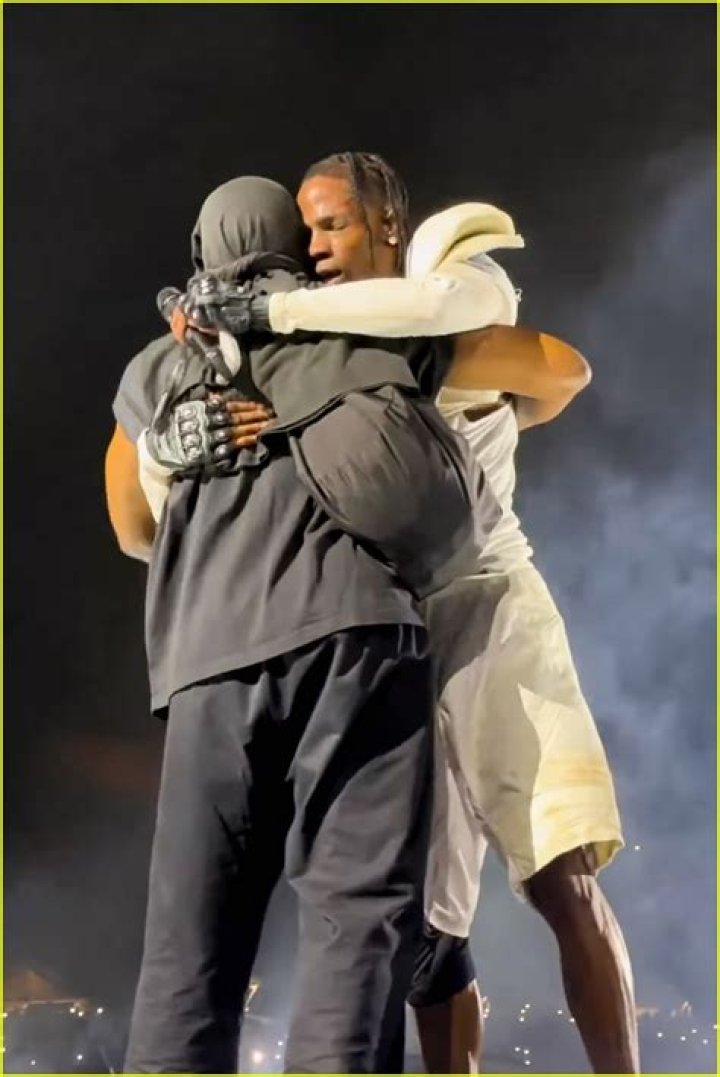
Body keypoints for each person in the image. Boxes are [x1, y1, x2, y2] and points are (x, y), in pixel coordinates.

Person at [204, 151, 638, 1074]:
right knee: (429, 935)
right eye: (306, 231)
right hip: (395, 634)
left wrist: (272, 317)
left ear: (388, 225)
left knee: (558, 874)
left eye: (334, 223)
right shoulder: (322, 352)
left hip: (489, 603)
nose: (316, 247)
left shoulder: (447, 293)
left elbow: (556, 366)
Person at [105, 176, 459, 1074]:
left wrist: (181, 460)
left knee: (188, 949)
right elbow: (519, 354)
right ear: (295, 249)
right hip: (359, 641)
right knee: (357, 918)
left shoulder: (158, 367)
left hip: (209, 663)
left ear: (202, 252)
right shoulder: (362, 325)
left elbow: (130, 527)